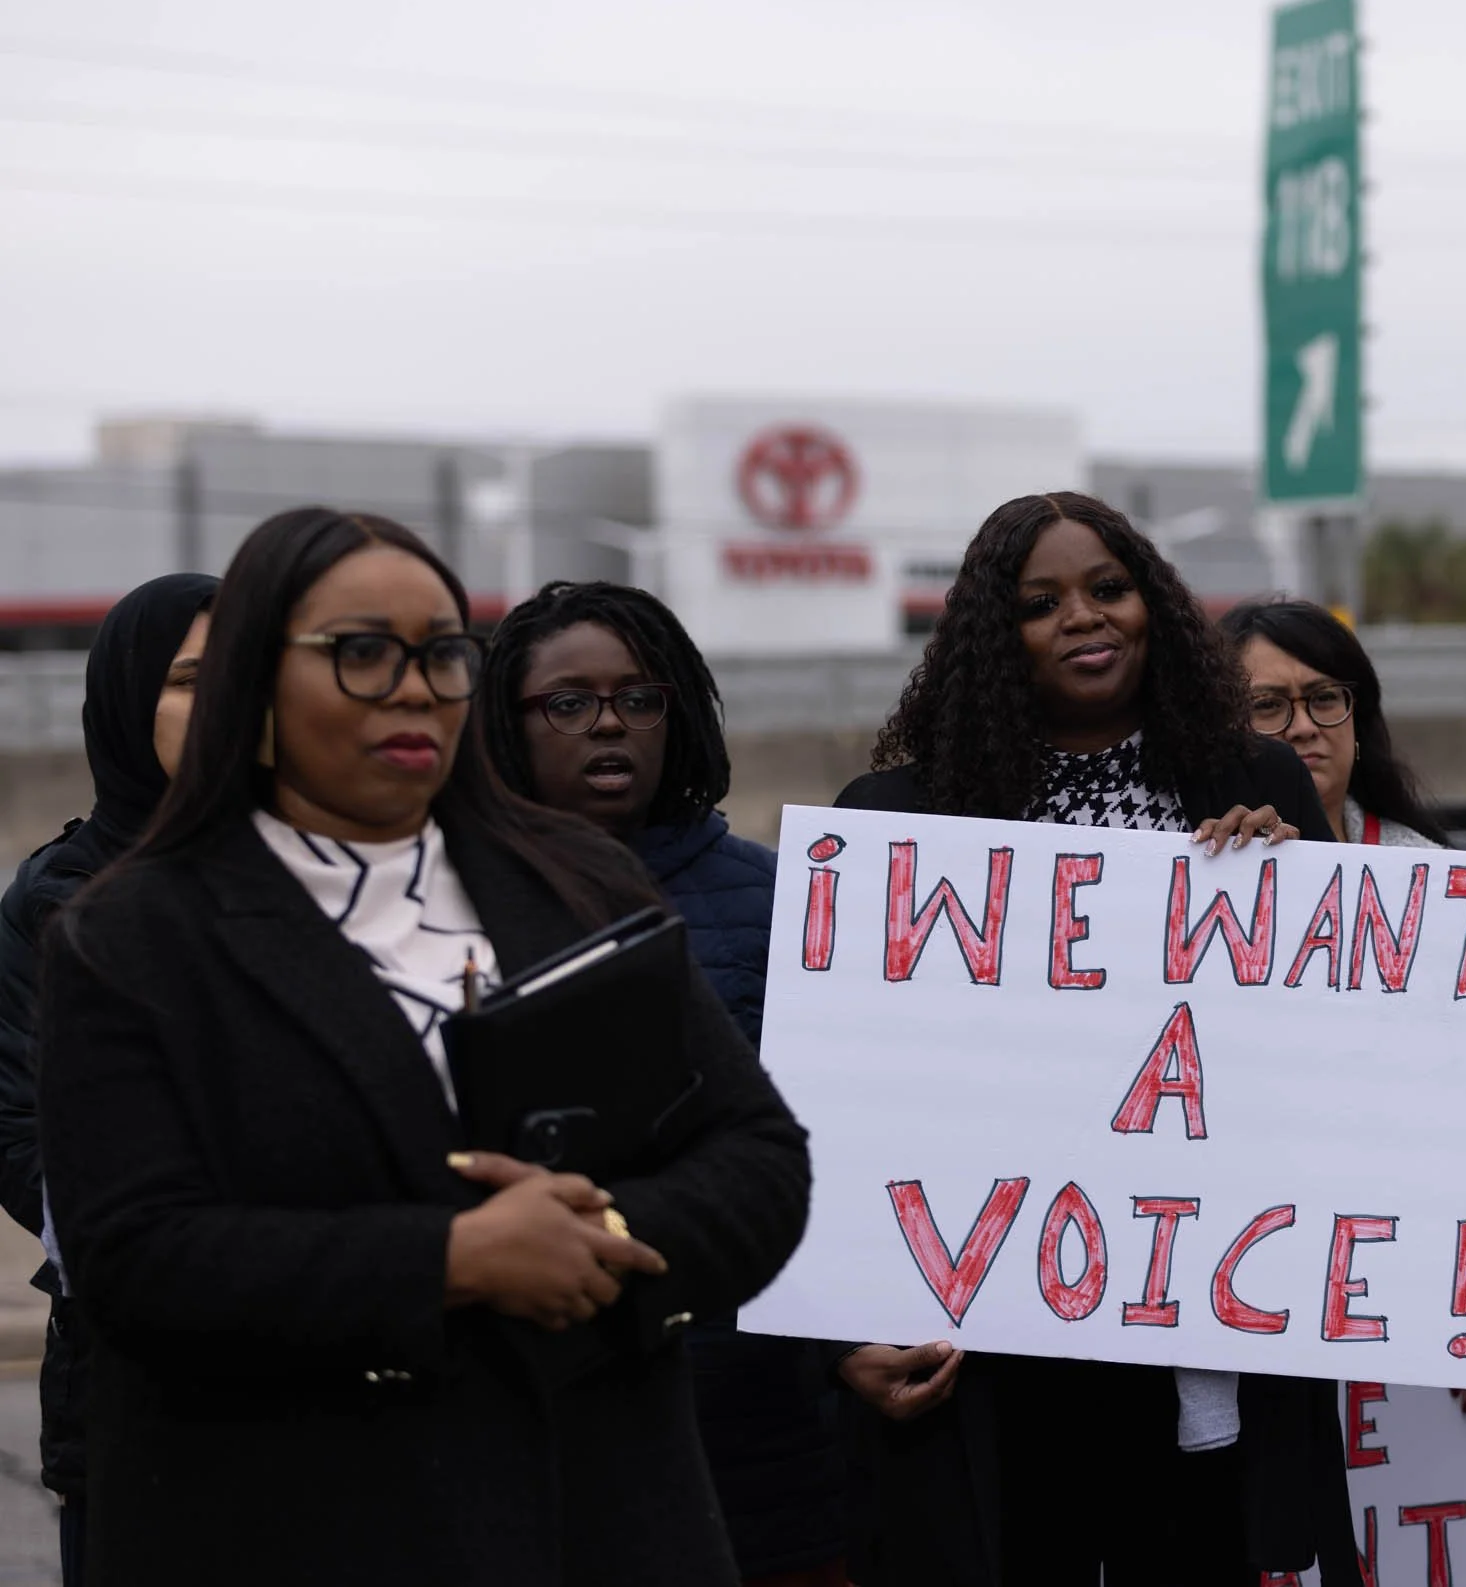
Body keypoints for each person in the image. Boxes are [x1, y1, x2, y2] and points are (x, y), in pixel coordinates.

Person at [38, 508, 811, 1586]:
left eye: (444, 651)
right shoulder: (132, 935)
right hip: (295, 1519)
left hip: (593, 1511)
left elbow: (759, 1161)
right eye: (360, 651)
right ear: (253, 678)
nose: (413, 687)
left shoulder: (580, 884)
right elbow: (134, 1256)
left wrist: (604, 1236)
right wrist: (454, 1262)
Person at [834, 491, 1353, 1586]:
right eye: (1041, 602)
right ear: (993, 634)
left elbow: (1330, 1057)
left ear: (1152, 605)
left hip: (1202, 1319)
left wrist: (1289, 884)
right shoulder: (902, 817)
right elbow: (858, 1103)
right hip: (997, 1342)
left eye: (1108, 588)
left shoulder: (1256, 786)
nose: (1084, 616)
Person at [480, 580, 847, 1587]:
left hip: (766, 1410)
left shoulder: (785, 897)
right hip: (540, 1401)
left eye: (639, 698)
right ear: (505, 724)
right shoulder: (447, 898)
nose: (608, 722)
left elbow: (839, 1140)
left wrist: (850, 1339)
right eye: (568, 701)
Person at [1219, 595, 1466, 1413]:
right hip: (1238, 1307)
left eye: (1325, 697)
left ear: (1358, 717)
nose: (1303, 725)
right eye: (1266, 705)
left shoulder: (1442, 888)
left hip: (1400, 1307)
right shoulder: (1192, 881)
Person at [0, 571, 216, 1585]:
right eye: (187, 678)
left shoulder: (349, 868)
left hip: (345, 1371)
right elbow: (16, 1118)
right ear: (129, 698)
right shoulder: (66, 895)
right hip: (135, 1370)